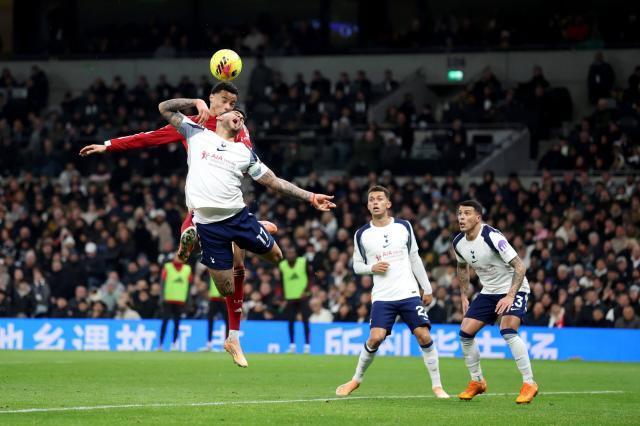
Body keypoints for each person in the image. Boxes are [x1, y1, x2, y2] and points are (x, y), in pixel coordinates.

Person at [80, 82, 274, 365]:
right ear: (210, 99)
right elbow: (151, 137)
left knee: (238, 264)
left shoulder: (238, 128)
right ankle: (194, 238)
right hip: (204, 205)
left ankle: (232, 332)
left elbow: (249, 162)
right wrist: (108, 145)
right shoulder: (192, 125)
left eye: (233, 103)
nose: (228, 107)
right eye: (223, 100)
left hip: (230, 206)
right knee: (206, 231)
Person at [158, 98, 336, 366]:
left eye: (242, 116)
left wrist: (310, 197)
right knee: (225, 288)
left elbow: (275, 182)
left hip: (237, 218)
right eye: (235, 113)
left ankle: (251, 229)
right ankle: (231, 338)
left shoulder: (244, 152)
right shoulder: (196, 134)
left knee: (277, 257)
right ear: (219, 117)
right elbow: (164, 108)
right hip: (209, 225)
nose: (240, 117)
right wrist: (195, 102)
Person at [335, 185, 449, 399]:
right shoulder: (362, 234)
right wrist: (372, 267)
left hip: (408, 292)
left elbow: (414, 257)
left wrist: (427, 287)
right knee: (375, 338)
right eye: (371, 199)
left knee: (423, 335)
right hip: (383, 296)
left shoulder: (403, 226)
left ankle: (437, 386)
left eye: (379, 199)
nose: (375, 202)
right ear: (368, 205)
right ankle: (356, 379)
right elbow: (357, 266)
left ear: (388, 203)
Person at [453, 200, 538, 404]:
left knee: (507, 330)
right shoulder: (458, 242)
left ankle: (529, 383)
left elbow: (520, 266)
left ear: (478, 218)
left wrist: (510, 295)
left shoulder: (492, 237)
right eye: (460, 213)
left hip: (514, 288)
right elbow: (462, 267)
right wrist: (464, 295)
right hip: (489, 291)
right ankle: (477, 381)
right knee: (465, 333)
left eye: (467, 213)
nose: (461, 217)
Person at [279, 247, 311, 354]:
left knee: (305, 320)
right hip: (290, 297)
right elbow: (281, 282)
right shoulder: (282, 265)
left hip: (303, 297)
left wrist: (307, 290)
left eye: (292, 253)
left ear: (296, 254)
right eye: (288, 253)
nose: (290, 255)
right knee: (291, 321)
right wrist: (282, 297)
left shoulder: (303, 262)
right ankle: (292, 345)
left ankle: (307, 346)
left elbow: (310, 277)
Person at [158, 257, 192, 350]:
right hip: (168, 300)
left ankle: (174, 344)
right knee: (165, 322)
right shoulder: (167, 267)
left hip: (180, 300)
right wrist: (161, 298)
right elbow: (162, 283)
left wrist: (188, 301)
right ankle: (160, 344)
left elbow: (189, 286)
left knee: (177, 323)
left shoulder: (187, 269)